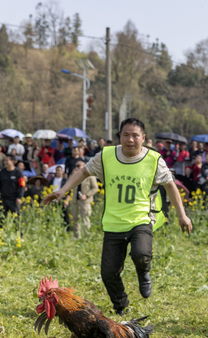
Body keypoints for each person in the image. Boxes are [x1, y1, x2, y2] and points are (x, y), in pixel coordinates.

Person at [44, 118, 193, 315]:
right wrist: (63, 190)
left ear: (143, 138)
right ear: (119, 136)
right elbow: (83, 172)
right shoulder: (106, 156)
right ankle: (120, 304)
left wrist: (182, 215)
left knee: (141, 254)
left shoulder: (154, 159)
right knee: (108, 273)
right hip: (113, 223)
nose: (130, 139)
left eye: (135, 135)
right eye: (125, 135)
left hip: (141, 219)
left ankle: (143, 272)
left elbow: (170, 185)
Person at [70, 159, 99, 238]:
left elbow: (95, 188)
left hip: (85, 201)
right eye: (76, 166)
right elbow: (69, 184)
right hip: (75, 200)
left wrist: (86, 195)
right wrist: (73, 175)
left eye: (79, 166)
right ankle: (76, 236)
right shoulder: (74, 175)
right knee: (75, 218)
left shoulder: (90, 175)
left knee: (85, 219)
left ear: (84, 166)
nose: (77, 167)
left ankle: (87, 236)